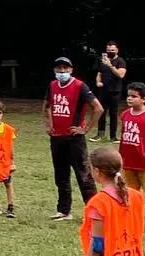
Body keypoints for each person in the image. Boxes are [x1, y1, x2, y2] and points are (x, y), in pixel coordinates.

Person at [43, 57, 103, 221]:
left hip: (74, 138)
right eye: (59, 68)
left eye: (65, 68)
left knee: (84, 176)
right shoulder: (52, 85)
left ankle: (94, 211)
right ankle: (64, 210)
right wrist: (49, 124)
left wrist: (85, 129)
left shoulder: (80, 86)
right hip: (57, 138)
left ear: (71, 70)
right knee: (61, 175)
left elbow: (98, 108)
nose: (62, 71)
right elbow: (46, 105)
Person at [116, 82, 145, 232]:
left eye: (134, 96)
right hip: (128, 161)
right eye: (128, 96)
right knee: (130, 192)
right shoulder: (125, 114)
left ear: (143, 99)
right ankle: (131, 219)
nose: (129, 99)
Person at [93, 41, 128, 143]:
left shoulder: (120, 61)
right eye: (108, 50)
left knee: (113, 113)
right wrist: (98, 82)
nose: (110, 52)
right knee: (101, 112)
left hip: (115, 91)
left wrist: (110, 65)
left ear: (117, 50)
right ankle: (100, 135)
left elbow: (121, 75)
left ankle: (113, 136)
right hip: (103, 91)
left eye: (112, 50)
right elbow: (99, 73)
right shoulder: (103, 61)